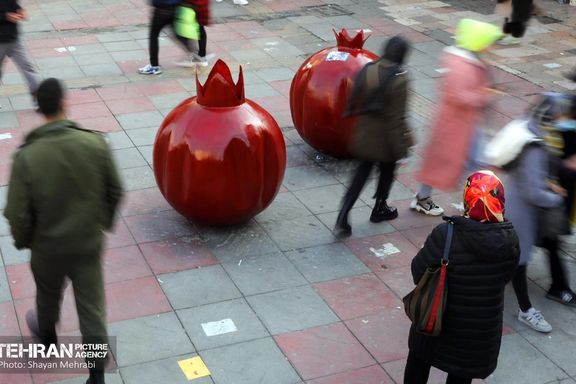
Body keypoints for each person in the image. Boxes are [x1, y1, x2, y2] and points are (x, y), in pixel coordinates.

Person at [4, 78, 123, 384]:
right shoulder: (95, 143)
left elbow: (17, 212)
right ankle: (96, 374)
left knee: (47, 295)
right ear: (64, 103)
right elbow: (116, 189)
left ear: (39, 110)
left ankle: (47, 339)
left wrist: (25, 241)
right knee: (92, 306)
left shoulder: (27, 158)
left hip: (47, 248)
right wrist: (102, 223)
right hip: (86, 243)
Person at [404, 170, 520, 384]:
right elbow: (505, 277)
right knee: (460, 374)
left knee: (419, 362)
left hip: (436, 321)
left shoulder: (445, 234)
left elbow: (417, 273)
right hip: (475, 335)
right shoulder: (510, 241)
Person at [499, 94, 576, 333]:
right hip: (522, 211)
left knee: (513, 259)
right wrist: (556, 196)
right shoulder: (535, 146)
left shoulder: (531, 132)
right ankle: (526, 310)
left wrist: (548, 182)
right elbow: (533, 192)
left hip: (516, 204)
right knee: (519, 261)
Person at [411, 19, 502, 216]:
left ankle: (426, 197)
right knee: (471, 162)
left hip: (465, 123)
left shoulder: (470, 59)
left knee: (461, 162)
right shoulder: (463, 65)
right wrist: (484, 95)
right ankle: (476, 203)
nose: (492, 47)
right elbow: (457, 95)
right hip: (457, 125)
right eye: (489, 42)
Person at [334, 36, 414, 237]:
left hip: (364, 133)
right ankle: (380, 207)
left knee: (360, 175)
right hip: (386, 139)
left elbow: (354, 98)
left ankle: (344, 212)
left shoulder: (370, 68)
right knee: (387, 171)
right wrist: (402, 149)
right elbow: (397, 119)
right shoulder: (400, 79)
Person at [139, 0, 195, 75]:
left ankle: (154, 66)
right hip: (174, 8)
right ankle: (195, 54)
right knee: (177, 34)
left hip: (160, 11)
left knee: (153, 36)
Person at [0, 0, 41, 102]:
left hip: (14, 41)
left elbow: (16, 7)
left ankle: (39, 99)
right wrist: (6, 16)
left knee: (27, 68)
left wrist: (21, 12)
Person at [175, 0, 212, 67]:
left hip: (191, 6)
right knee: (200, 28)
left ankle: (196, 57)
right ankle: (202, 56)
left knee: (184, 31)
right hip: (200, 5)